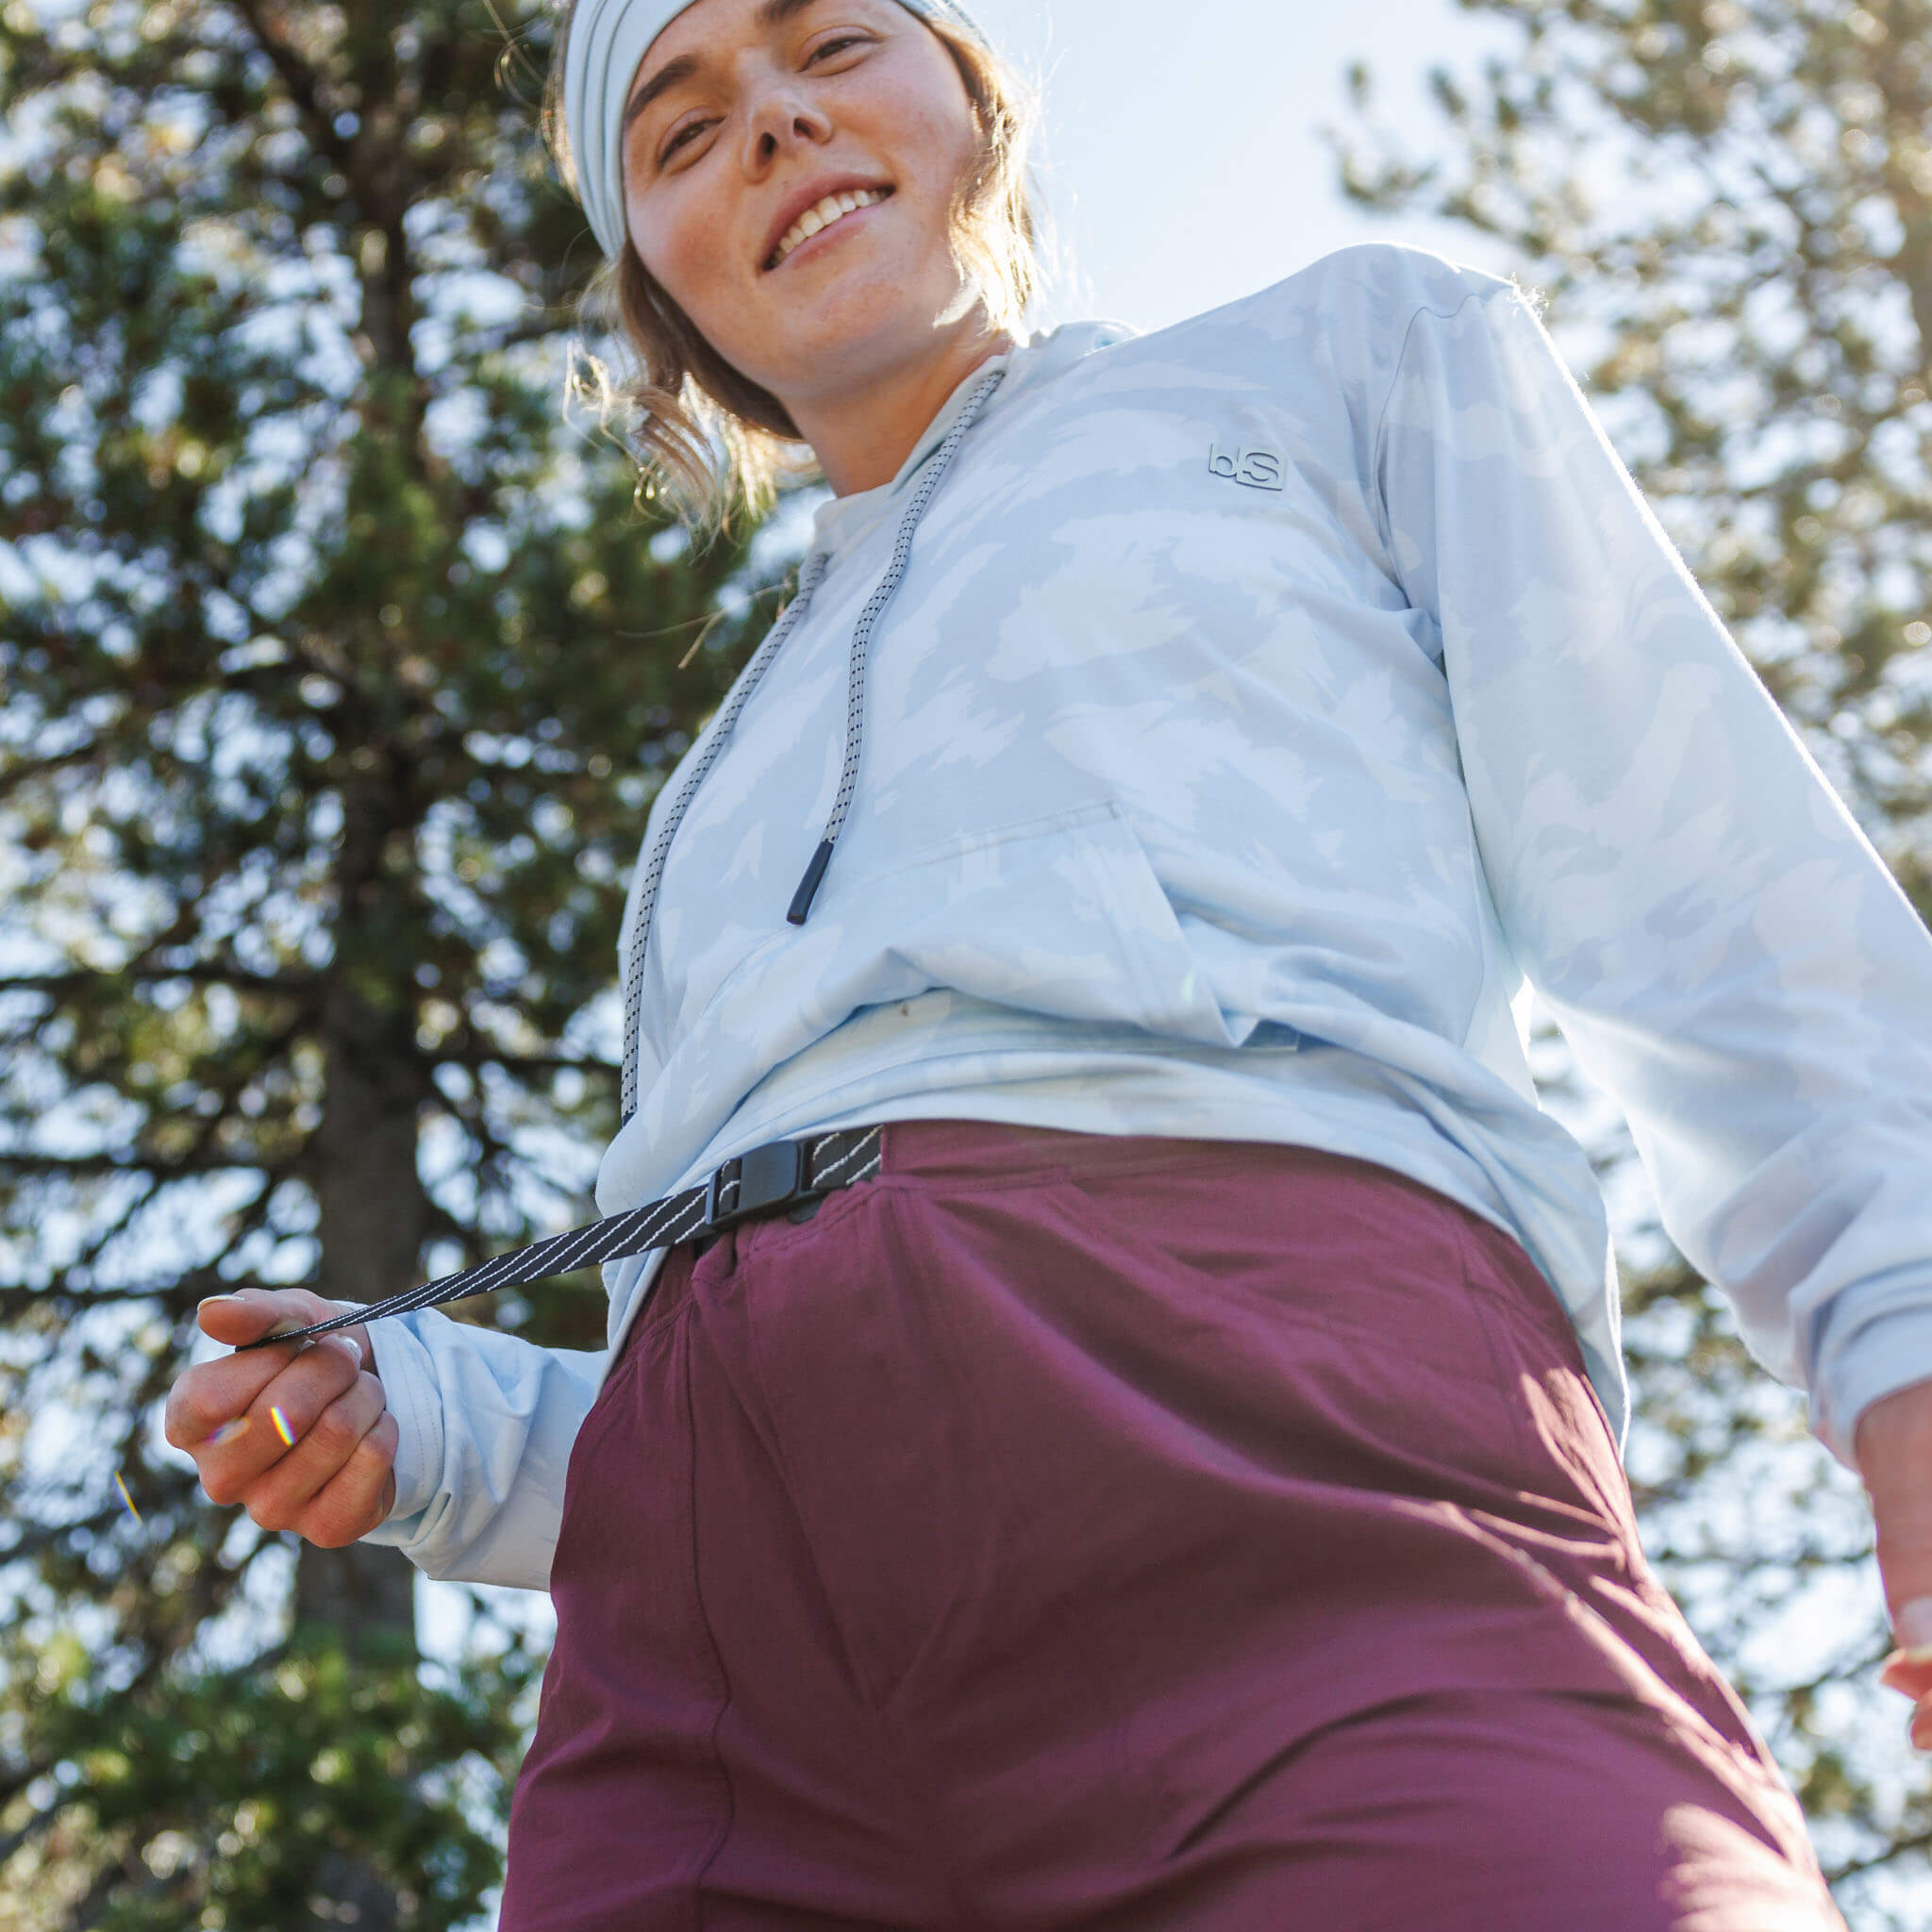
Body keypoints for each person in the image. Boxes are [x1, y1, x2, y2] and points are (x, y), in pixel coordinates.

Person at [164, 0, 1932, 1924]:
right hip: (713, 1689)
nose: (767, 120)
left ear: (968, 93)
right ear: (659, 302)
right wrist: (447, 1431)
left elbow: (1712, 895)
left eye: (827, 41)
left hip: (1302, 1435)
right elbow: (772, 1305)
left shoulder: (1343, 363)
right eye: (675, 136)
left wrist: (1910, 1361)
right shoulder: (709, 798)